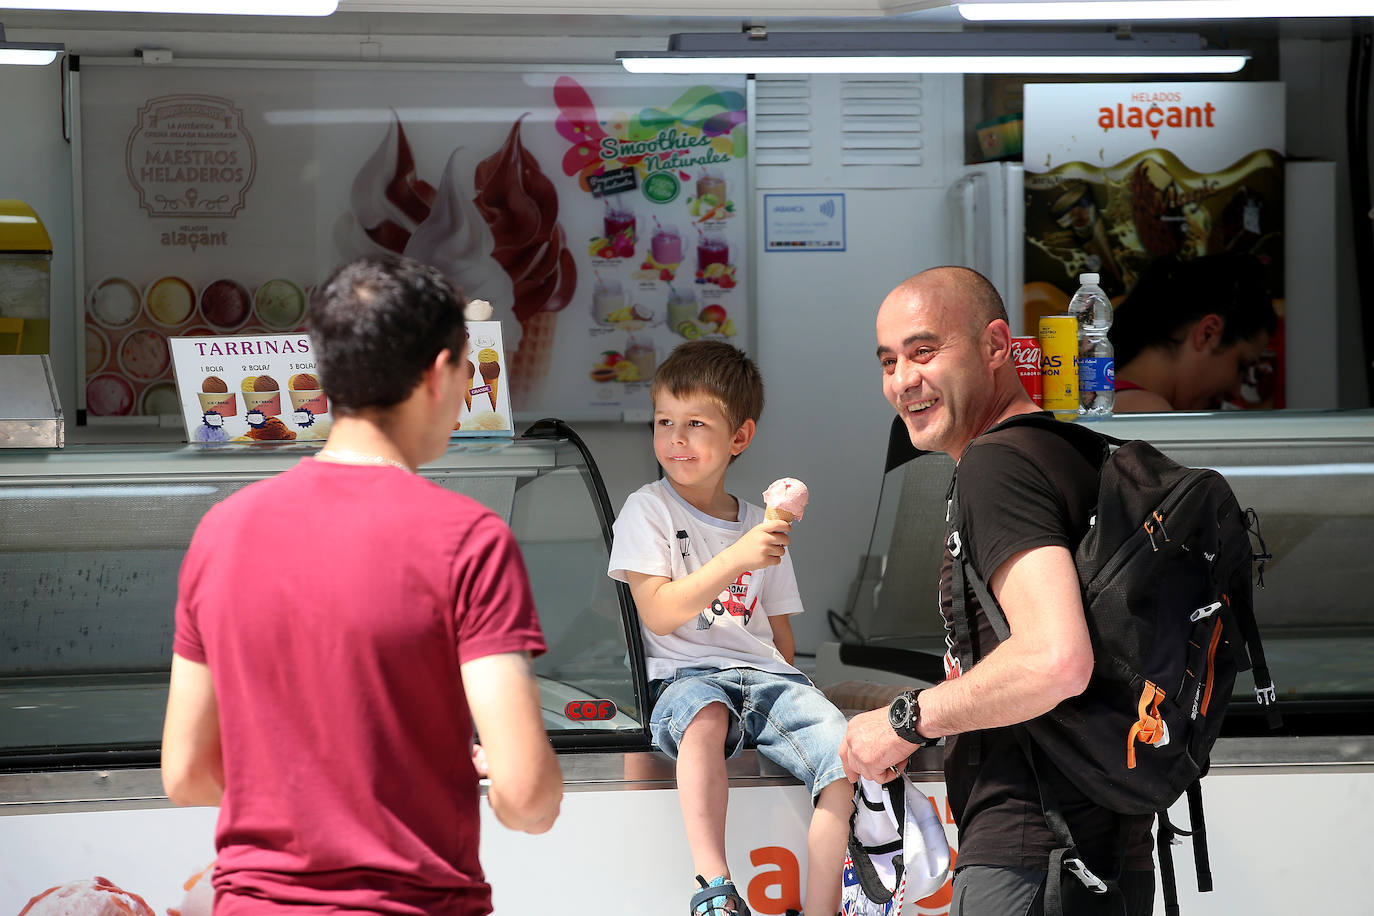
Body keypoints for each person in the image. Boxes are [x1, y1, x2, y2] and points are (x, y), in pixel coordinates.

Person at [161, 254, 562, 915]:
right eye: (467, 370)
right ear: (438, 373)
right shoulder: (468, 539)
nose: (465, 390)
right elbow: (525, 796)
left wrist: (304, 790)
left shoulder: (221, 531)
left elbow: (187, 773)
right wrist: (502, 778)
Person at [840, 266, 1155, 916]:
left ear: (995, 346)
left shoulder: (997, 465)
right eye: (889, 360)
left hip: (1032, 853)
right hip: (1108, 847)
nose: (903, 379)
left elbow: (1054, 659)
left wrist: (905, 723)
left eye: (924, 351)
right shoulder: (1071, 449)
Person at [608, 340, 852, 916]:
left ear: (739, 438)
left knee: (845, 757)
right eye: (664, 421)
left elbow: (780, 639)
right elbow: (661, 612)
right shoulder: (647, 509)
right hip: (681, 679)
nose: (676, 439)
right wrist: (740, 557)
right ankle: (715, 889)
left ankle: (822, 906)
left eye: (695, 423)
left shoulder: (761, 526)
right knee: (705, 715)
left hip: (765, 679)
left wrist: (798, 691)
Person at [1109, 253, 1278, 412]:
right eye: (1241, 366)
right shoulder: (1146, 410)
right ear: (1208, 333)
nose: (1236, 391)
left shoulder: (1108, 397)